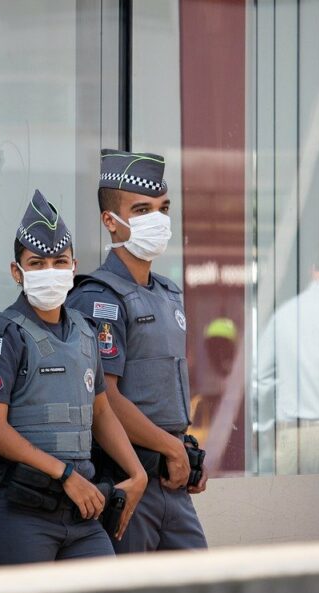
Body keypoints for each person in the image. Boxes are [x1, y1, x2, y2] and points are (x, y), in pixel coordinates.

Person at [0, 190, 147, 566]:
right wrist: (64, 475)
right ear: (17, 272)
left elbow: (101, 412)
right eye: (37, 263)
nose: (50, 272)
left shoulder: (85, 331)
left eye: (59, 262)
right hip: (20, 510)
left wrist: (137, 472)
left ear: (73, 265)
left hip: (81, 514)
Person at [66, 149, 208, 554]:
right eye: (142, 210)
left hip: (171, 474)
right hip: (128, 474)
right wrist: (170, 447)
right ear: (111, 221)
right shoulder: (99, 297)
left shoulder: (168, 293)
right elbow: (105, 397)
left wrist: (185, 449)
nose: (158, 220)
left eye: (163, 209)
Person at [256, 246, 319, 474]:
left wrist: (266, 428)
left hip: (288, 434)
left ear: (313, 271)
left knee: (286, 507)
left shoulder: (283, 314)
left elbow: (262, 377)